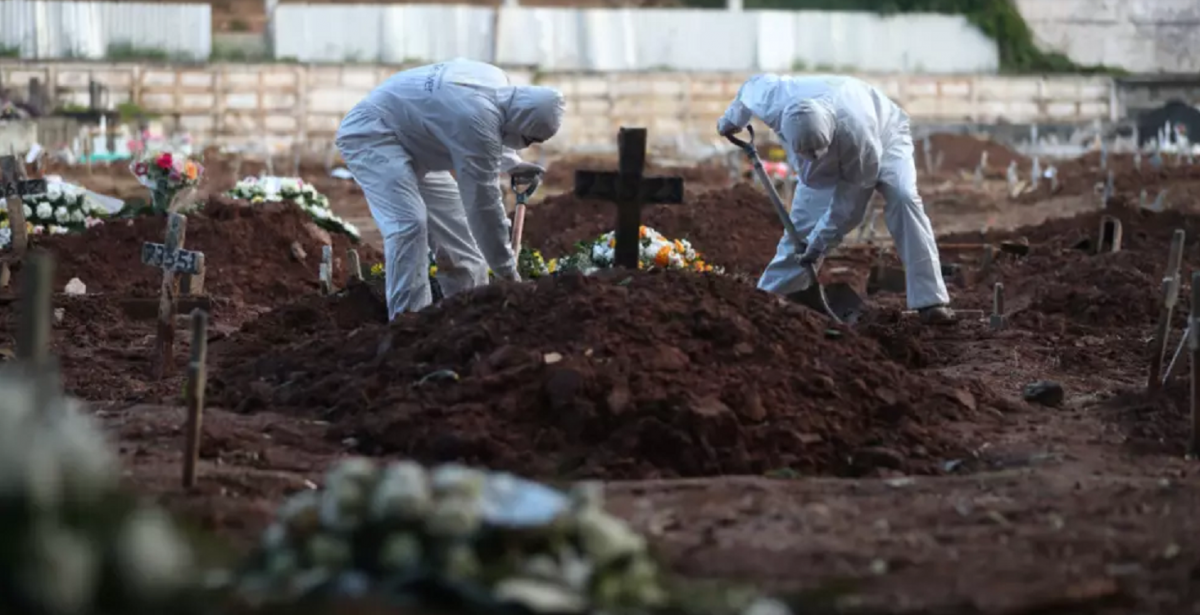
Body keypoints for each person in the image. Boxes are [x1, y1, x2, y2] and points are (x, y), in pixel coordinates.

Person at [336, 59, 564, 319]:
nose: (528, 144)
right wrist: (508, 273)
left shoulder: (495, 81)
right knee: (409, 224)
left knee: (458, 236)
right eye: (531, 139)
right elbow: (483, 207)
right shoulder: (475, 119)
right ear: (523, 122)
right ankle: (408, 322)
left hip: (415, 139)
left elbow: (485, 126)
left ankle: (468, 317)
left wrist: (513, 164)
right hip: (371, 134)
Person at [717, 74, 954, 324]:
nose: (813, 158)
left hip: (886, 136)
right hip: (830, 149)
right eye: (806, 153)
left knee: (903, 198)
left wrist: (819, 244)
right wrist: (731, 120)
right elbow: (749, 88)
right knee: (801, 231)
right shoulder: (773, 100)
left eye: (817, 152)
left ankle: (931, 301)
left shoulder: (859, 139)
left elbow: (849, 209)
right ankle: (769, 298)